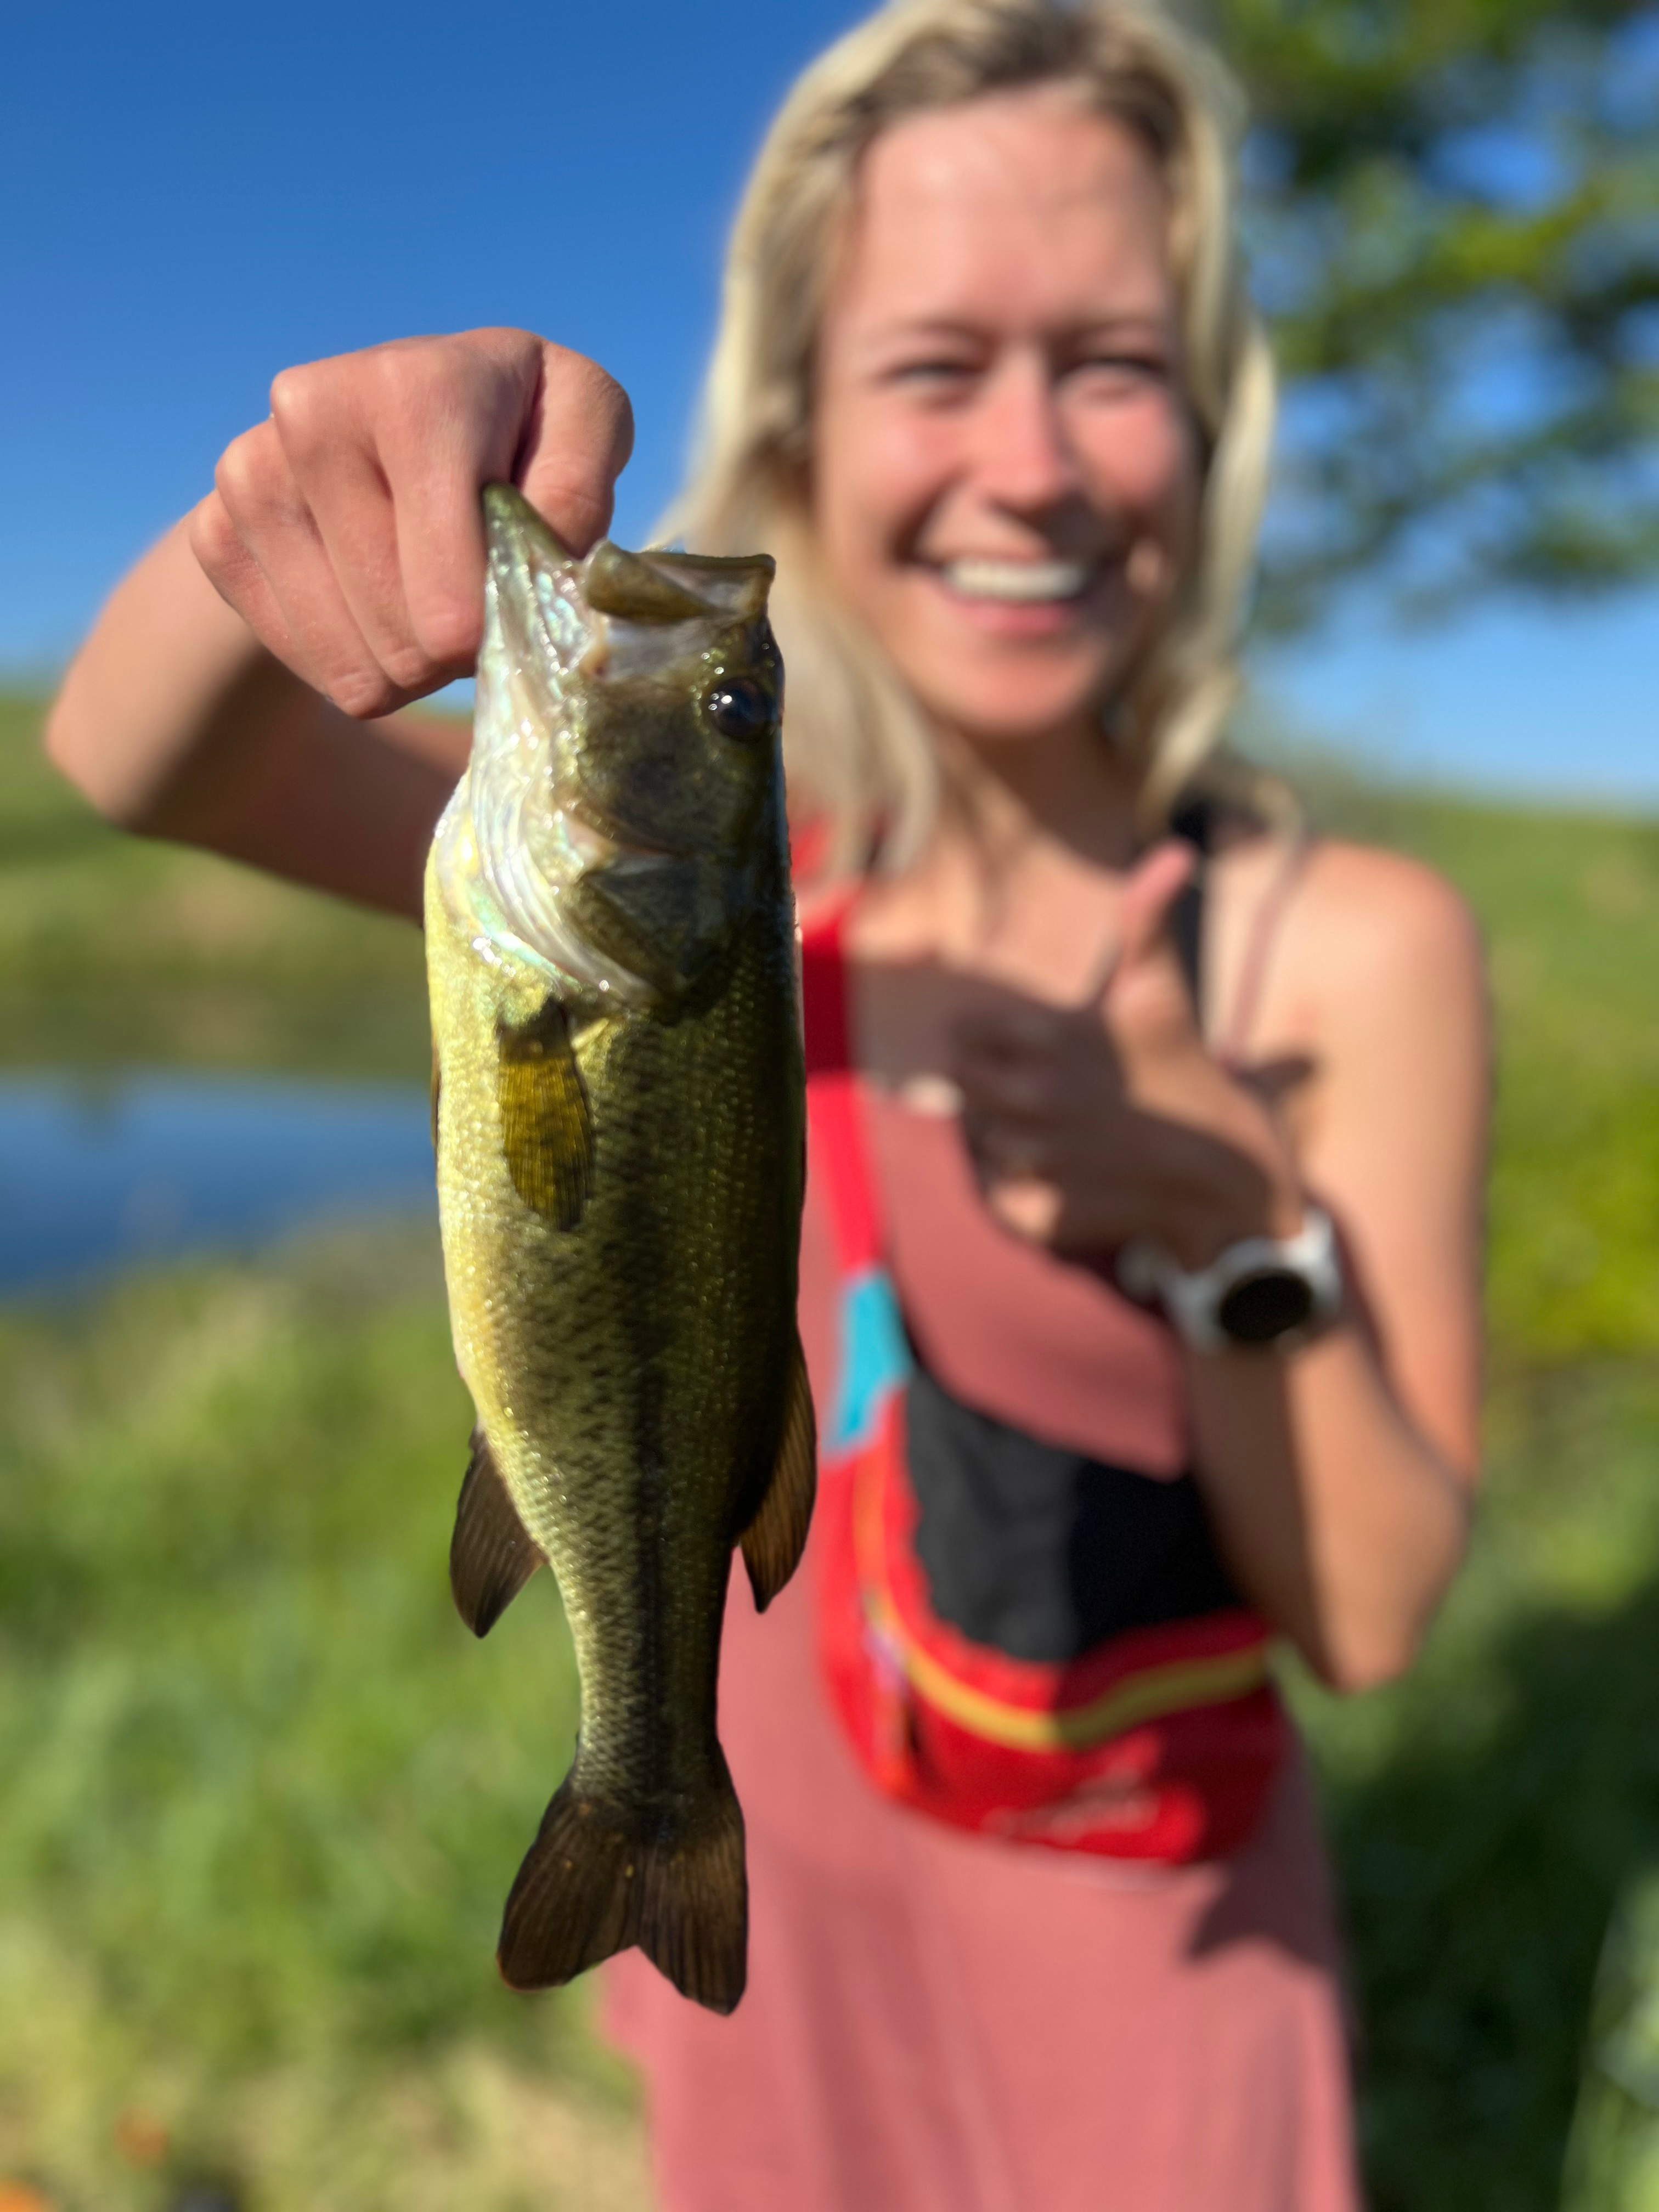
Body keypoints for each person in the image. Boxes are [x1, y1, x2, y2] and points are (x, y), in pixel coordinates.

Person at [46, 1, 1489, 2205]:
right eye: (935, 364)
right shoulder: (740, 895)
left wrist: (1228, 1225)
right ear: (806, 423)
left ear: (1212, 425)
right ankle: (649, 1792)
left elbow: (1376, 1620)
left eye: (1110, 360)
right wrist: (319, 501)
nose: (1028, 458)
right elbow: (144, 760)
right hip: (774, 1974)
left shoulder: (1339, 945)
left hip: (1152, 1985)